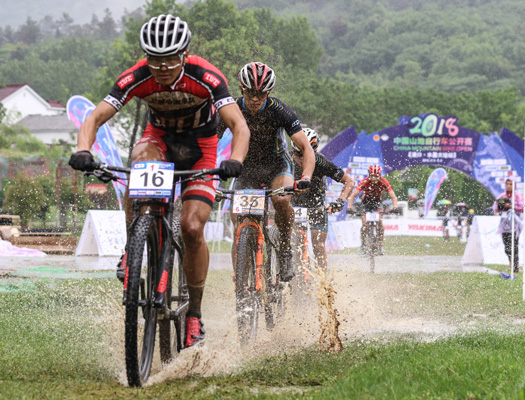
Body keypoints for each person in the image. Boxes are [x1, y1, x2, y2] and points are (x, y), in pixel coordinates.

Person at [68, 14, 251, 348]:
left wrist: (235, 160)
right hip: (160, 141)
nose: (162, 67)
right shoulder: (137, 76)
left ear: (184, 54)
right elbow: (95, 117)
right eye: (154, 59)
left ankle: (194, 312)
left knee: (192, 227)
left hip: (201, 148)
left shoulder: (206, 76)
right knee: (139, 164)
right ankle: (133, 247)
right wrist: (83, 149)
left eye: (170, 59)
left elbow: (240, 126)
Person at [219, 61, 315, 282]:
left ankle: (285, 249)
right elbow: (210, 140)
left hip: (277, 166)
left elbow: (305, 147)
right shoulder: (231, 108)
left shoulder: (279, 110)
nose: (255, 98)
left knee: (281, 200)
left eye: (261, 94)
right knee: (238, 221)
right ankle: (241, 281)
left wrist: (306, 177)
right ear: (241, 89)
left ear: (269, 92)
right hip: (246, 169)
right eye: (250, 92)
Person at [290, 127, 355, 270]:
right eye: (298, 153)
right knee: (290, 241)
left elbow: (349, 182)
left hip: (316, 204)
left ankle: (324, 280)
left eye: (307, 153)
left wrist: (340, 201)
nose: (302, 158)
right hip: (293, 204)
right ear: (293, 149)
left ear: (314, 151)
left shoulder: (320, 161)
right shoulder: (286, 160)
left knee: (318, 245)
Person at [346, 165, 399, 255]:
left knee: (380, 223)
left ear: (380, 176)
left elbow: (392, 196)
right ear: (369, 175)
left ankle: (380, 245)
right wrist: (349, 207)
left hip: (377, 202)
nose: (374, 179)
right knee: (364, 225)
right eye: (372, 176)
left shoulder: (384, 182)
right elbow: (353, 195)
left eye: (376, 176)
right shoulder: (364, 181)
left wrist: (395, 207)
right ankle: (363, 245)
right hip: (365, 202)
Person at [493, 179, 524, 274]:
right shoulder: (502, 196)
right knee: (507, 246)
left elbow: (522, 208)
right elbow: (495, 208)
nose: (509, 186)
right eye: (507, 184)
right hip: (504, 225)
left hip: (515, 224)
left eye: (511, 184)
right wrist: (502, 206)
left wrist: (511, 206)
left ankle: (515, 267)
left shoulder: (518, 196)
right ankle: (511, 261)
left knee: (514, 245)